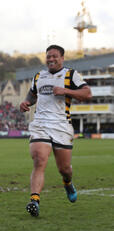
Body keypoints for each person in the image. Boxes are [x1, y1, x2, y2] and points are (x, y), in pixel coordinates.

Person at [20, 45, 92, 217]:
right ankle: (34, 201)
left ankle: (67, 183)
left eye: (54, 56)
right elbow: (32, 94)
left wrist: (66, 90)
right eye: (48, 56)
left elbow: (87, 94)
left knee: (64, 169)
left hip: (61, 125)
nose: (51, 59)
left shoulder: (71, 74)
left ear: (62, 58)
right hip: (40, 124)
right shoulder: (38, 76)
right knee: (39, 159)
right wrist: (26, 102)